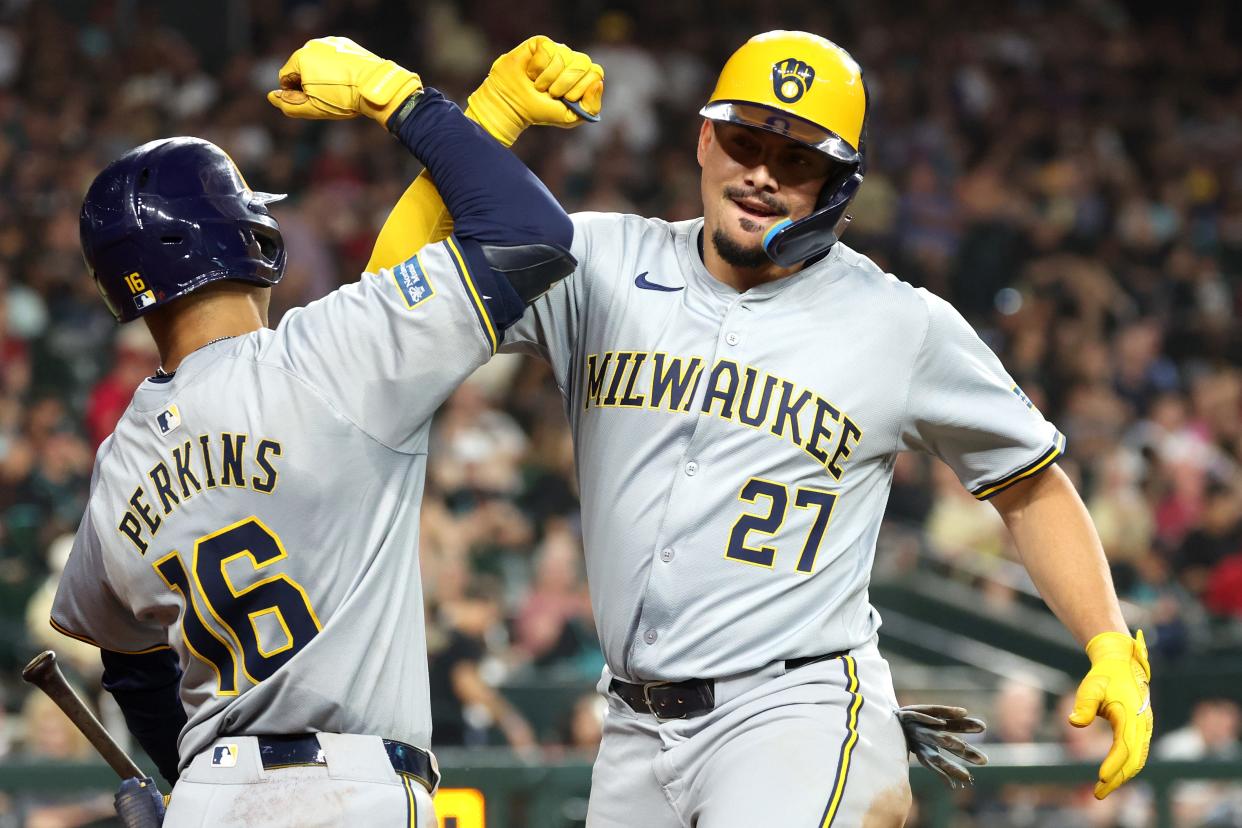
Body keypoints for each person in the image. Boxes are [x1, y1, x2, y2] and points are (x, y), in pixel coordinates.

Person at [371, 32, 1112, 826]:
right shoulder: (598, 260)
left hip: (793, 710)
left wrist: (1108, 642)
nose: (761, 173)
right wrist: (484, 124)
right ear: (703, 139)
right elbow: (387, 313)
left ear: (838, 186)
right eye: (744, 141)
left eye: (796, 160)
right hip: (630, 727)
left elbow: (1030, 483)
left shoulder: (900, 324)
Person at [49, 35, 602, 828]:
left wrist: (183, 779)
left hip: (213, 797)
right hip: (350, 789)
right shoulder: (321, 362)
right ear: (248, 238)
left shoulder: (121, 456)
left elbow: (129, 665)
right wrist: (402, 98)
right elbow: (529, 231)